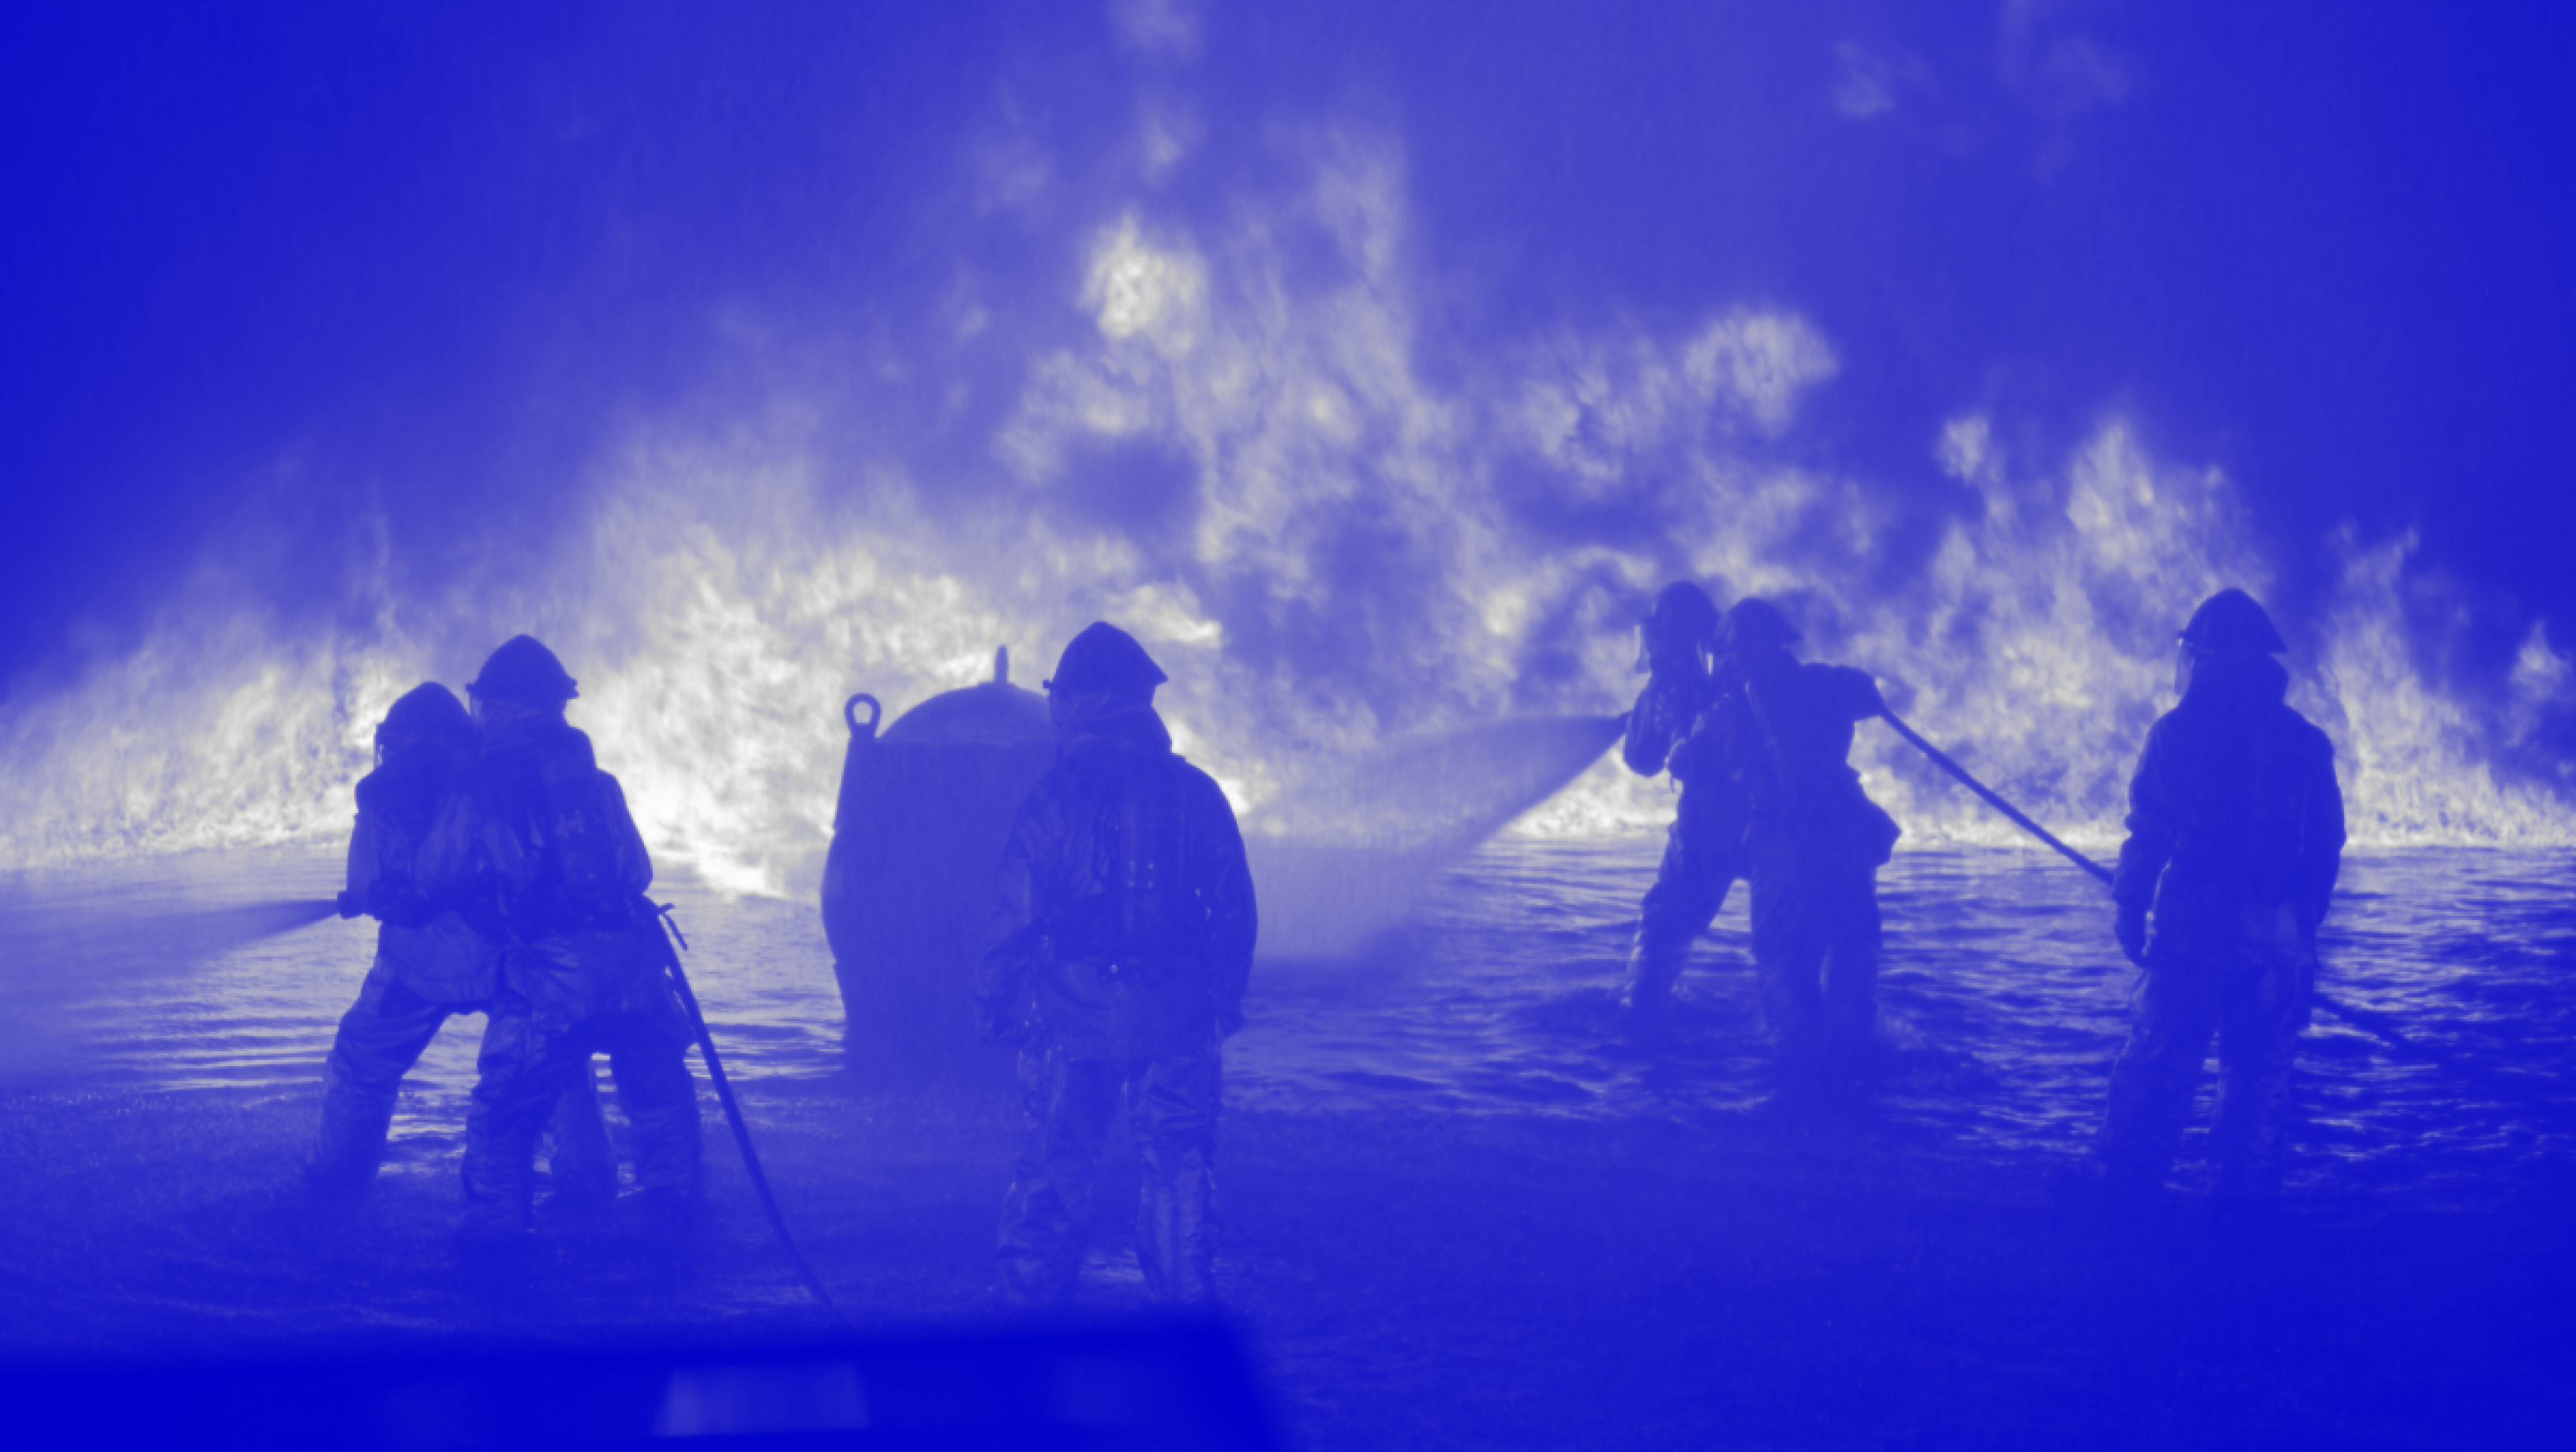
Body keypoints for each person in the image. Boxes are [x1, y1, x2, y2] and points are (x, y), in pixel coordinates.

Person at [975, 622, 1258, 1307]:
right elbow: (1235, 912)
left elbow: (1014, 917)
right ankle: (1184, 1319)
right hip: (1178, 1020)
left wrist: (995, 1006)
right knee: (1178, 1170)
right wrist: (1220, 1002)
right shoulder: (1197, 795)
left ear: (1073, 701)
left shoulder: (1050, 799)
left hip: (1070, 1021)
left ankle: (1027, 1320)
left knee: (1053, 1169)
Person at [417, 635, 704, 1237]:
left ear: (492, 706)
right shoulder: (599, 784)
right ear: (557, 704)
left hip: (550, 988)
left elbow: (437, 879)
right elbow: (637, 875)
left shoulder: (478, 787)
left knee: (504, 1121)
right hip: (635, 975)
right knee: (661, 1104)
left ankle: (496, 1256)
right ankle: (681, 1235)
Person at [305, 683, 614, 1200]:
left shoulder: (382, 792)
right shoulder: (494, 780)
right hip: (510, 961)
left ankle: (336, 1181)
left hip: (414, 965)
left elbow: (365, 884)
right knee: (556, 1063)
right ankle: (589, 1183)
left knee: (362, 1060)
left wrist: (377, 896)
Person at [2094, 589, 2344, 1202]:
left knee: (2157, 1071)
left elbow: (2149, 830)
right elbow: (2326, 844)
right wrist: (2302, 925)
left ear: (2203, 658)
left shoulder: (2178, 734)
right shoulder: (2305, 741)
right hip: (2278, 945)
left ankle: (2121, 1204)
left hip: (2193, 938)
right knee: (2258, 1087)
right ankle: (2244, 1216)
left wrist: (2129, 905)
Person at [1708, 597, 1900, 1100]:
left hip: (1786, 855)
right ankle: (1853, 1077)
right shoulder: (1824, 685)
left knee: (1785, 968)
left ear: (1737, 653)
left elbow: (1696, 762)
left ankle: (1800, 1092)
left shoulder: (1729, 713)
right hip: (1843, 846)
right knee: (1851, 957)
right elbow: (1867, 695)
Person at [1616, 582, 1752, 1036]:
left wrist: (1648, 706)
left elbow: (1643, 759)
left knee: (1664, 923)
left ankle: (1642, 1021)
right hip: (1770, 820)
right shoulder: (1739, 668)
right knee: (1791, 943)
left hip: (1708, 824)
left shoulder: (1672, 681)